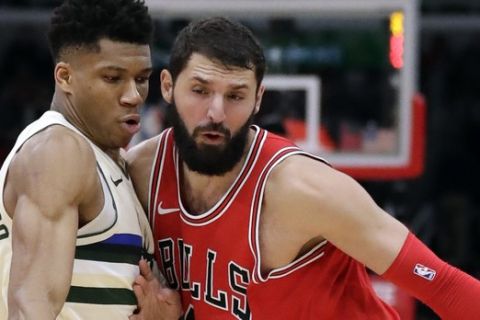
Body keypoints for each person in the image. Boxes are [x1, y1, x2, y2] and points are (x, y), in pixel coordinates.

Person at [127, 17, 480, 319]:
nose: (216, 113)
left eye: (235, 96)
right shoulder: (141, 174)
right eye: (200, 90)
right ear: (168, 87)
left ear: (258, 99)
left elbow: (445, 286)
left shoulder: (302, 191)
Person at [0, 0, 180, 319]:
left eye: (141, 78)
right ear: (65, 77)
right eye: (113, 78)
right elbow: (30, 307)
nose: (134, 95)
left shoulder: (110, 162)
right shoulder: (59, 150)